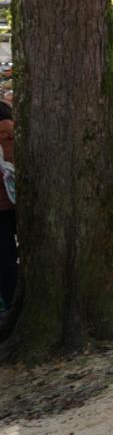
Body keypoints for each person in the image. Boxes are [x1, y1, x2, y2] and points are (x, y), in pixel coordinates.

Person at [0, 102, 16, 313]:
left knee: (5, 257)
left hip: (1, 208)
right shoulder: (19, 135)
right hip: (22, 205)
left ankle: (10, 300)